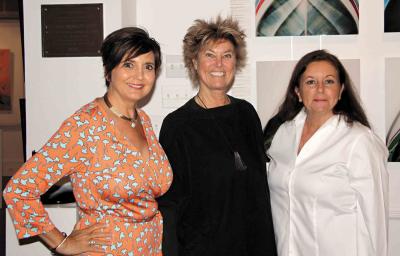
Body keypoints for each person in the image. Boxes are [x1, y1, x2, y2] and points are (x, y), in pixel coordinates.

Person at [3, 27, 173, 256]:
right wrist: (62, 243)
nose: (139, 76)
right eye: (128, 65)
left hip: (149, 247)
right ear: (108, 71)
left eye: (148, 67)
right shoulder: (85, 126)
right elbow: (19, 190)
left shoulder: (142, 120)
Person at [156, 16, 277, 256]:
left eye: (227, 55)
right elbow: (169, 206)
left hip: (253, 246)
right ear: (194, 62)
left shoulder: (247, 114)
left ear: (236, 62)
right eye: (210, 55)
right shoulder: (178, 125)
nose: (219, 64)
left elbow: (259, 193)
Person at [264, 49, 388, 256]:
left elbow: (375, 221)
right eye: (311, 82)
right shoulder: (281, 135)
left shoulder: (359, 141)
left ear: (340, 91)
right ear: (297, 91)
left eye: (329, 81)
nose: (320, 89)